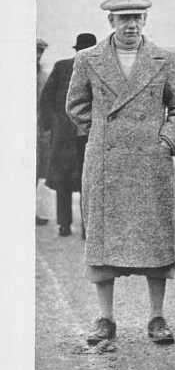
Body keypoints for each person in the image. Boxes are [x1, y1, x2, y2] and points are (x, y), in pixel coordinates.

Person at [65, 0, 175, 346]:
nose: (131, 25)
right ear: (111, 22)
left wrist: (166, 141)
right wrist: (103, 134)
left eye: (137, 17)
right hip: (106, 163)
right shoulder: (87, 59)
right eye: (123, 19)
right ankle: (105, 318)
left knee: (155, 240)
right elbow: (76, 105)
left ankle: (157, 317)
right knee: (103, 241)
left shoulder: (164, 59)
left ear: (145, 20)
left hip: (150, 163)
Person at [39, 32, 97, 237]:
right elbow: (46, 99)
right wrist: (48, 129)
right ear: (77, 51)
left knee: (88, 182)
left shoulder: (101, 72)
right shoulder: (62, 68)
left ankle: (87, 228)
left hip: (91, 139)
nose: (86, 54)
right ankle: (64, 224)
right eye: (82, 50)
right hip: (64, 138)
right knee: (63, 180)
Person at [36, 39, 50, 226]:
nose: (38, 56)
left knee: (35, 172)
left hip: (36, 130)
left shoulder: (42, 75)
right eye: (35, 51)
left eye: (40, 52)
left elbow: (45, 104)